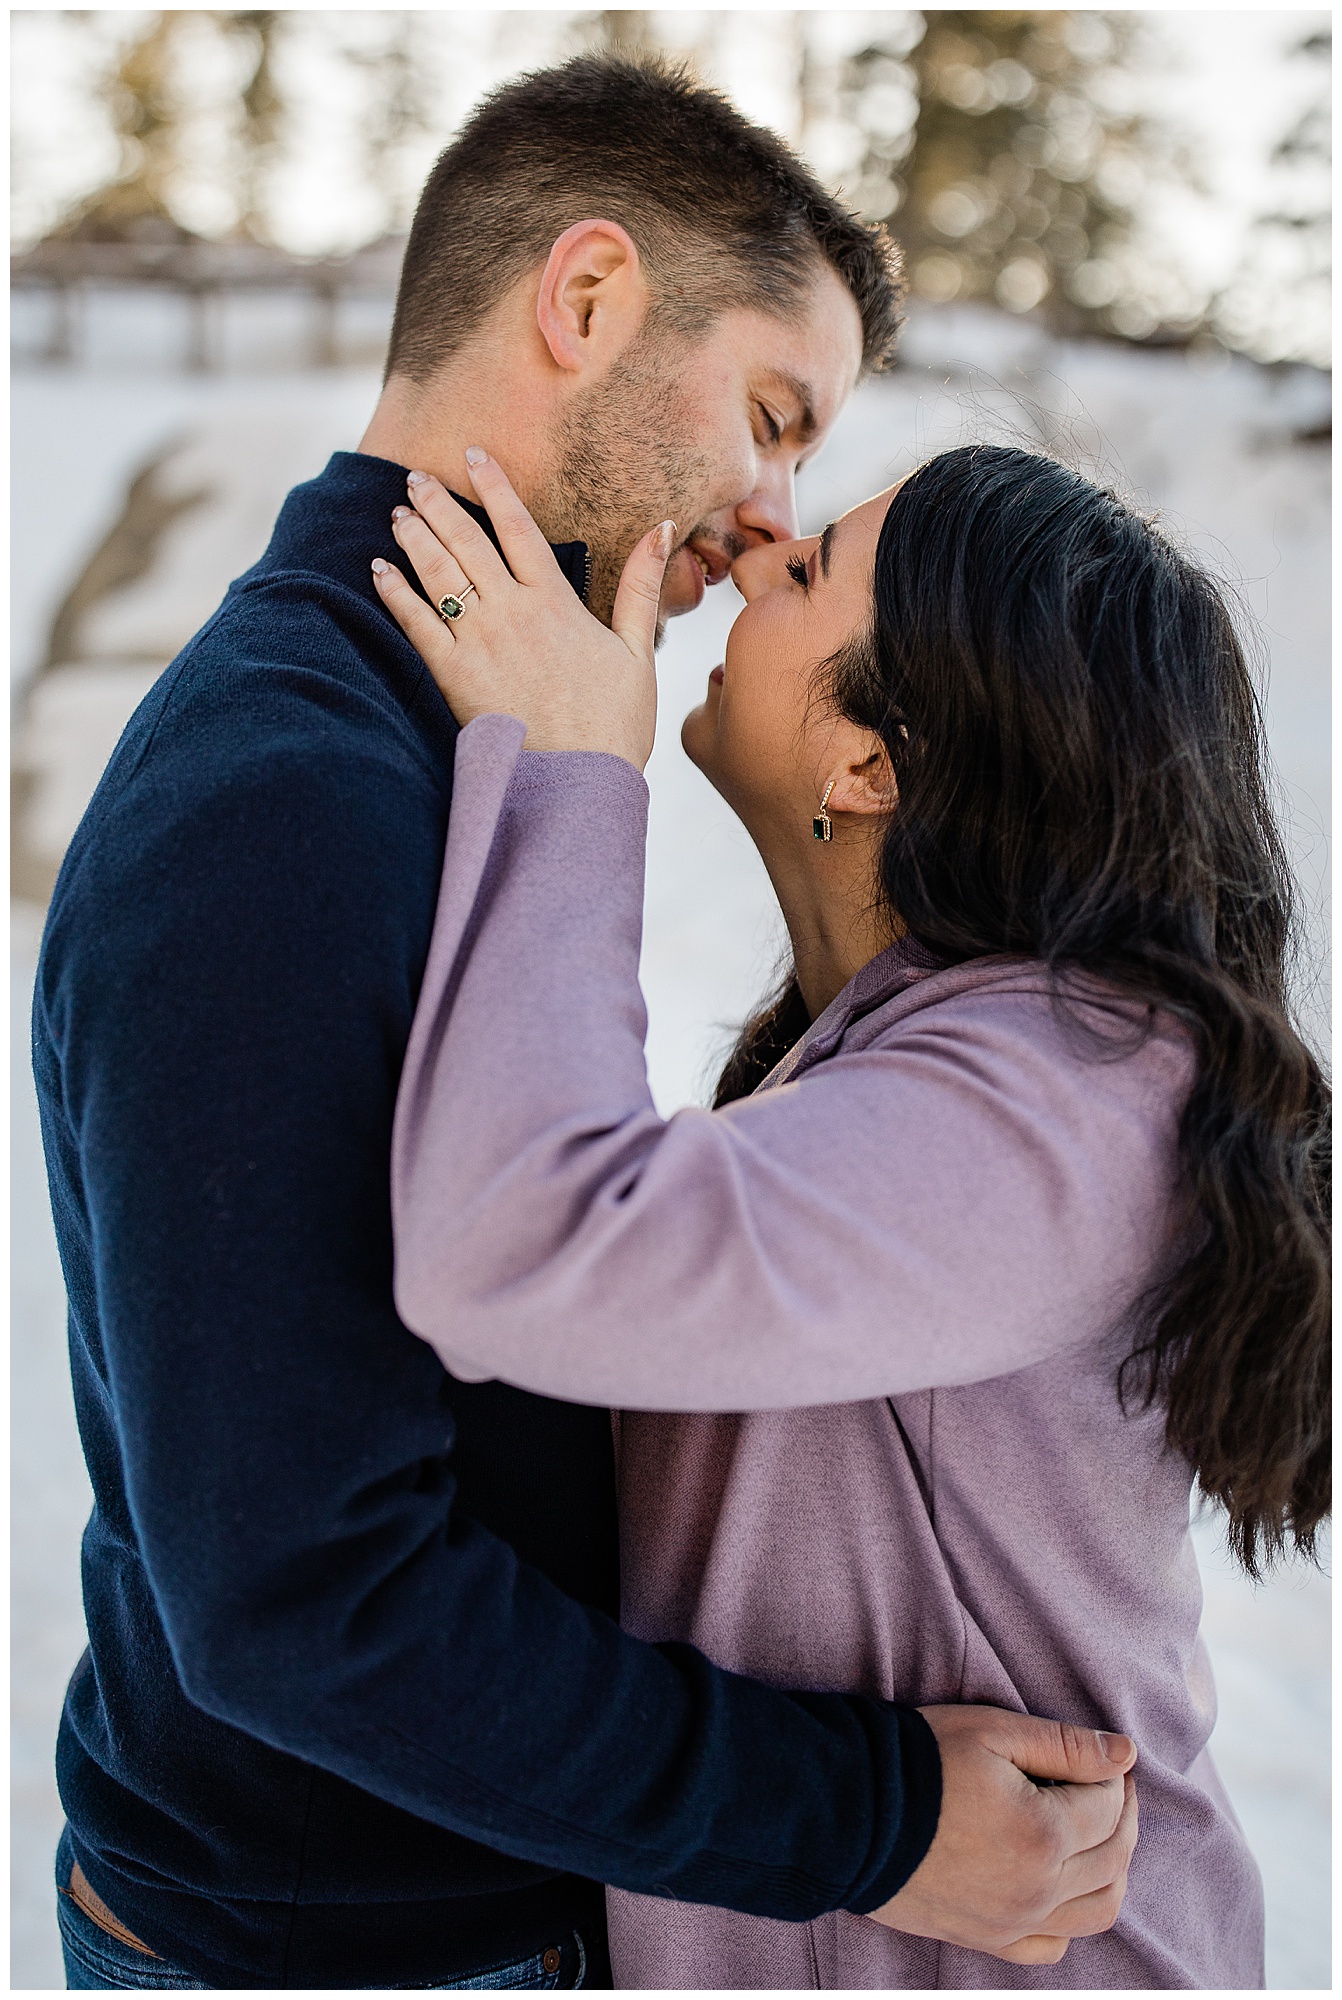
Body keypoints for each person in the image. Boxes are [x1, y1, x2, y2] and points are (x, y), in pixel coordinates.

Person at [34, 58, 1137, 1995]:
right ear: (588, 298)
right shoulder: (291, 792)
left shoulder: (467, 738)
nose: (769, 506)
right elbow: (303, 1596)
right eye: (770, 413)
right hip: (343, 1948)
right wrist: (870, 1818)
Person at [376, 441, 1330, 1989]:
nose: (756, 554)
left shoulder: (1060, 1096)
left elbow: (521, 1247)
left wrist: (568, 764)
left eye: (807, 568)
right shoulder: (940, 1056)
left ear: (872, 765)